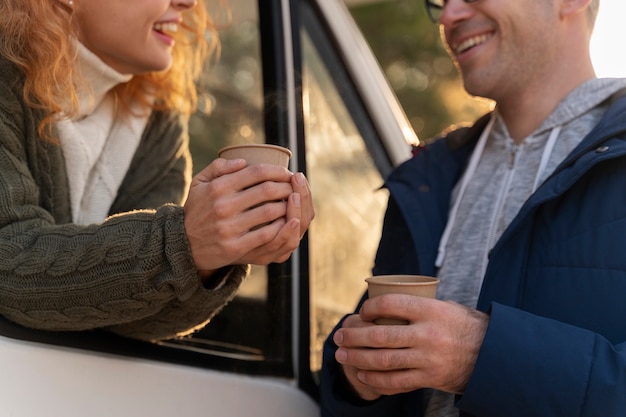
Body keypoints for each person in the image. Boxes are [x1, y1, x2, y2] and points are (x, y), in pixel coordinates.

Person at [320, 0, 626, 416]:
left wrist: (482, 357)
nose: (448, 17)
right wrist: (357, 376)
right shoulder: (428, 175)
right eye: (440, 2)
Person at [0, 0, 314, 342]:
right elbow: (8, 267)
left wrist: (210, 258)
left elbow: (132, 322)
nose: (188, 3)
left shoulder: (157, 117)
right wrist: (181, 243)